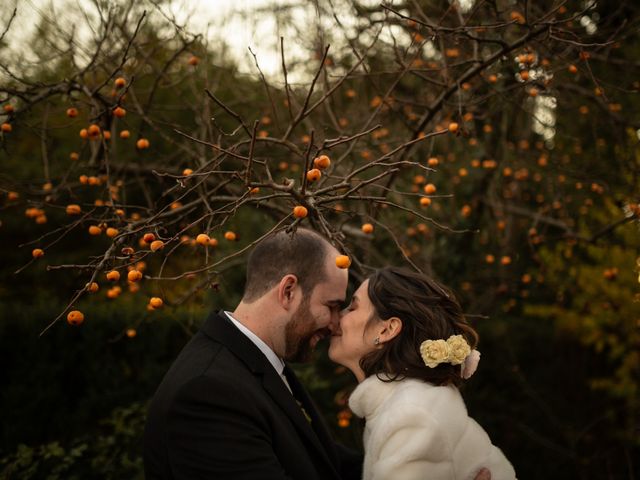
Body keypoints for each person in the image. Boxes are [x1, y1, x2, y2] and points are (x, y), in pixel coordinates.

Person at [143, 228, 362, 479]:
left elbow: (323, 460)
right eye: (331, 306)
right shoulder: (208, 392)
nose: (335, 323)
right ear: (288, 291)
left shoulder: (257, 362)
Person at [328, 266, 516, 480]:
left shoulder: (410, 415)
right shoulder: (406, 406)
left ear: (387, 329)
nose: (337, 318)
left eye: (352, 307)